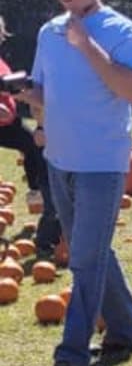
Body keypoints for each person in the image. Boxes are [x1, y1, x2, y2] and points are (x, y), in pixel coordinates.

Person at [19, 0, 132, 366]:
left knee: (86, 261)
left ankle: (72, 355)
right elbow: (44, 94)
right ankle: (126, 330)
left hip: (101, 164)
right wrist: (21, 94)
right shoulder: (48, 32)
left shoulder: (121, 31)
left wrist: (87, 45)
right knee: (89, 254)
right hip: (60, 161)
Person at [0, 17, 62, 257]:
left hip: (9, 123)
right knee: (33, 146)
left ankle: (37, 191)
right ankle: (39, 194)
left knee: (34, 147)